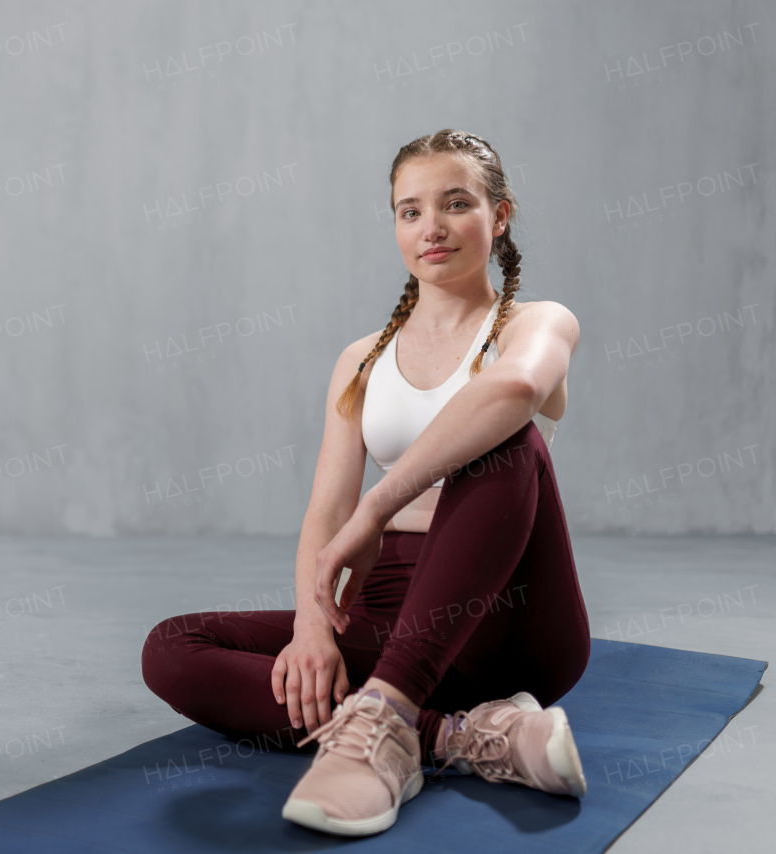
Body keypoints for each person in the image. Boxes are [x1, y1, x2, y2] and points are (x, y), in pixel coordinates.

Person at [141, 129, 591, 837]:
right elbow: (326, 510)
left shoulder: (535, 322)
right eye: (408, 211)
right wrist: (313, 626)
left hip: (512, 618)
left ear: (498, 216)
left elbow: (517, 387)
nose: (430, 228)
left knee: (503, 434)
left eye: (454, 204)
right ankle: (460, 736)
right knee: (172, 647)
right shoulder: (362, 359)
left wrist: (379, 505)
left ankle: (386, 715)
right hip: (388, 620)